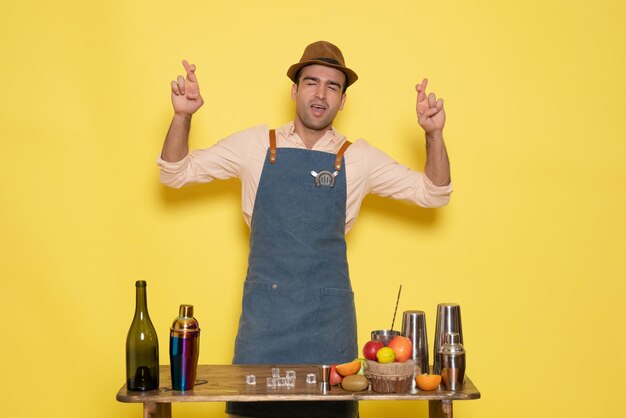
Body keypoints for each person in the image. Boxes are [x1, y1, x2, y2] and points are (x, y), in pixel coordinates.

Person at [158, 41, 451, 418]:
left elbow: (434, 193)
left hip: (328, 325)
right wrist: (182, 116)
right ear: (295, 90)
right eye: (311, 82)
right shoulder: (255, 145)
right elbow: (174, 172)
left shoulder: (358, 157)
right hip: (265, 325)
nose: (320, 93)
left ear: (343, 100)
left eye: (332, 86)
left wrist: (433, 135)